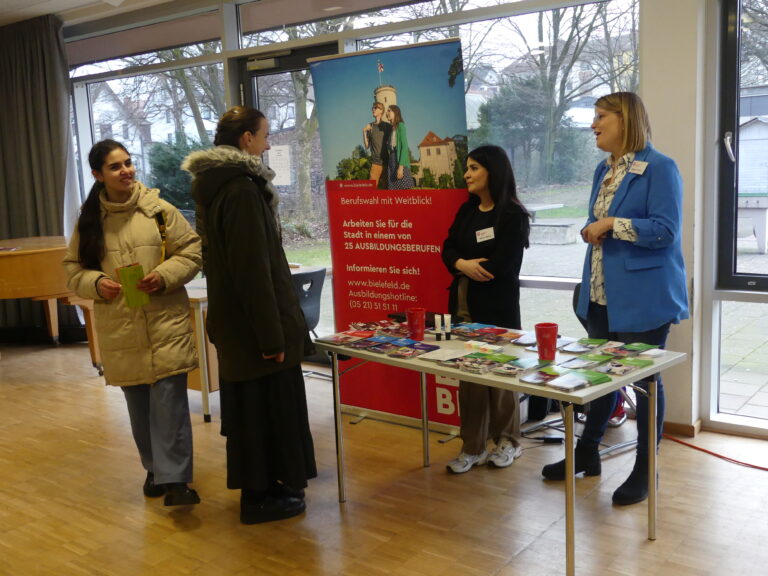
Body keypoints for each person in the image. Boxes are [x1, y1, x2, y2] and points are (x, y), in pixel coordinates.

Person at [541, 92, 689, 506]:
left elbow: (664, 230)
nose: (593, 124)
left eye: (601, 116)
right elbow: (596, 223)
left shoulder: (660, 168)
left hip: (645, 296)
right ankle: (587, 452)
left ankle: (645, 468)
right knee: (599, 375)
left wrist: (610, 223)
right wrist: (595, 226)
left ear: (625, 120)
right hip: (602, 292)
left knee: (643, 382)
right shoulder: (602, 171)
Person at [181, 106, 317, 525]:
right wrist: (272, 337)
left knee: (260, 413)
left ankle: (273, 486)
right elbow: (251, 271)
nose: (269, 143)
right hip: (255, 330)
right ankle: (259, 498)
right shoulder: (239, 190)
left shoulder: (221, 186)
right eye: (265, 135)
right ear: (246, 140)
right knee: (261, 414)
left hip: (242, 326)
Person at [63, 139, 202, 507]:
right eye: (115, 166)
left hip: (164, 322)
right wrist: (95, 283)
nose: (126, 171)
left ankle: (176, 482)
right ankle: (155, 470)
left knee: (170, 403)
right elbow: (73, 270)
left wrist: (164, 275)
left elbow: (191, 251)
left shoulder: (159, 211)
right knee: (140, 407)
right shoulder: (89, 220)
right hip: (121, 326)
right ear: (98, 175)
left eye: (128, 163)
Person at [442, 145, 530, 474]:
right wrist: (462, 263)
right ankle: (472, 446)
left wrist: (469, 265)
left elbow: (504, 264)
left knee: (501, 376)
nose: (467, 174)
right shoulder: (467, 211)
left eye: (474, 167)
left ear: (493, 171)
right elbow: (447, 247)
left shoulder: (512, 215)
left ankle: (507, 441)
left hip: (498, 309)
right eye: (467, 168)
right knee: (470, 379)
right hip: (464, 307)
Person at [385, 104, 416, 189]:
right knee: (394, 190)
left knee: (403, 190)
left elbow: (404, 147)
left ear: (395, 113)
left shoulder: (401, 126)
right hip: (392, 161)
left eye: (389, 111)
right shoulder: (392, 129)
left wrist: (401, 167)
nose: (387, 113)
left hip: (399, 161)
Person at [363, 101, 391, 188]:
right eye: (372, 108)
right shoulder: (370, 127)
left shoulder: (387, 126)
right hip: (375, 163)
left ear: (381, 111)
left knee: (386, 190)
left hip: (386, 163)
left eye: (375, 108)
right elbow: (367, 146)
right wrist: (364, 131)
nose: (373, 109)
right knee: (371, 189)